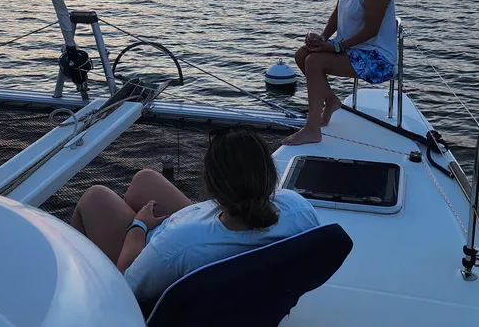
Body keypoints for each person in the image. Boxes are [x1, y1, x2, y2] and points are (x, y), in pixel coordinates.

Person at [70, 128, 320, 302]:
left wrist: (138, 227)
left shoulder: (176, 248)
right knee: (144, 180)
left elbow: (127, 285)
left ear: (212, 186)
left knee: (95, 197)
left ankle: (85, 299)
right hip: (212, 234)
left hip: (162, 249)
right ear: (269, 175)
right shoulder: (297, 207)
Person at [287, 0, 397, 145]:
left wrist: (335, 47)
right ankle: (332, 100)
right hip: (352, 48)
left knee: (315, 62)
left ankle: (312, 129)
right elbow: (338, 12)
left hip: (376, 56)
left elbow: (371, 31)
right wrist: (323, 38)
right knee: (302, 54)